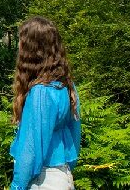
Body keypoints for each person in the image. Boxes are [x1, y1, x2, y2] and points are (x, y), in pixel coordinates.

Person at [9, 16, 81, 190]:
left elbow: (30, 149)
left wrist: (17, 186)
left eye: (21, 42)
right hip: (62, 176)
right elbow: (75, 134)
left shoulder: (40, 93)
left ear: (31, 49)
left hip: (43, 180)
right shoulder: (66, 85)